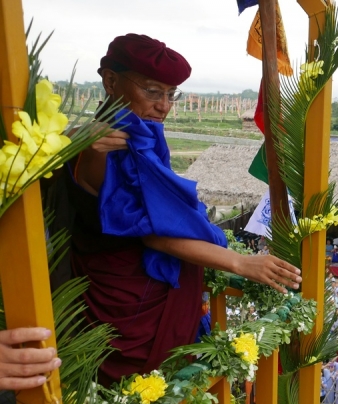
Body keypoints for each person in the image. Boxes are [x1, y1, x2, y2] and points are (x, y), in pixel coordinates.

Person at [62, 34, 302, 385]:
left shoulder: (128, 134)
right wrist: (241, 263)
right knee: (145, 395)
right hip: (127, 301)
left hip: (127, 290)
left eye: (171, 94)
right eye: (152, 91)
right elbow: (156, 233)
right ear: (111, 81)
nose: (163, 106)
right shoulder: (109, 143)